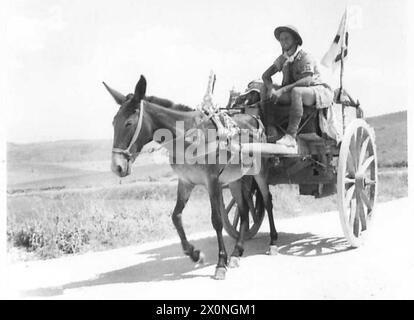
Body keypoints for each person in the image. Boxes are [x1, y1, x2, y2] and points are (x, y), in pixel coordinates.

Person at [261, 25, 334, 150]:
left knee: (297, 92)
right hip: (293, 90)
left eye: (287, 38)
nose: (283, 42)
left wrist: (282, 90)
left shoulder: (304, 56)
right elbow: (266, 75)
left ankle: (290, 136)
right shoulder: (283, 58)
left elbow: (307, 80)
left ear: (295, 40)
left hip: (314, 90)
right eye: (281, 39)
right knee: (263, 88)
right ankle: (271, 129)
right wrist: (271, 89)